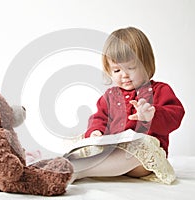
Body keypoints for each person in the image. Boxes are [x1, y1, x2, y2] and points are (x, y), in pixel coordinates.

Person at [68, 27, 185, 184]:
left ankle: (79, 170)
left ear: (147, 64)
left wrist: (152, 115)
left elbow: (175, 116)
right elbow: (99, 117)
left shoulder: (159, 90)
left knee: (139, 147)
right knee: (81, 142)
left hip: (140, 164)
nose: (124, 75)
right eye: (117, 70)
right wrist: (96, 131)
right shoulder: (110, 96)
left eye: (131, 68)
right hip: (112, 154)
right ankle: (65, 165)